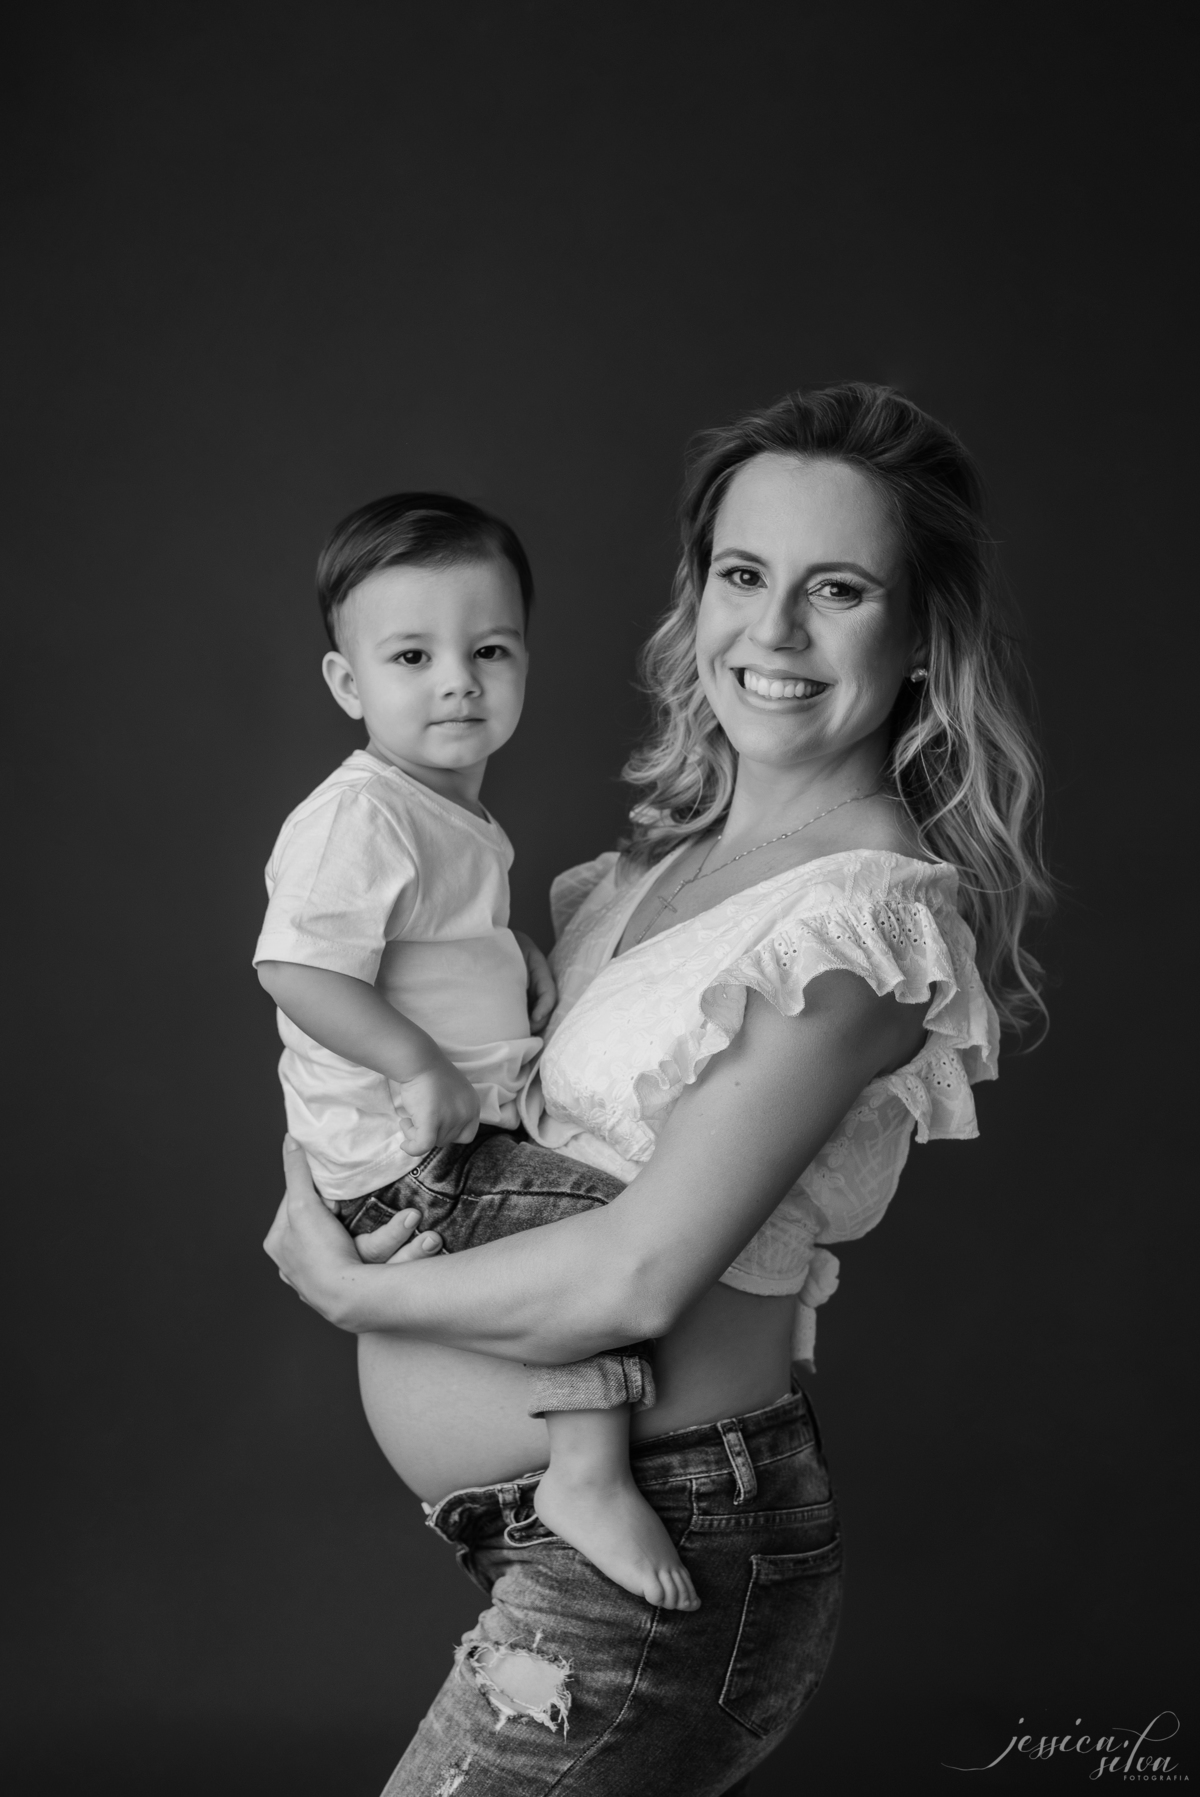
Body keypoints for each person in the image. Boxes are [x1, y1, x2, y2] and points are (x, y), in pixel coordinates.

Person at [265, 382, 1051, 1797]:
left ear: (924, 636)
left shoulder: (859, 927)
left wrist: (349, 1291)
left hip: (666, 1557)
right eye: (744, 576)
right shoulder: (649, 870)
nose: (776, 631)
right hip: (549, 1536)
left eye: (839, 589)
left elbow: (632, 1275)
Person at [255, 492, 699, 1610]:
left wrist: (515, 958)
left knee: (602, 1229)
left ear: (523, 664)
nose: (457, 680)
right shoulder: (360, 815)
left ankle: (588, 1459)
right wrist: (419, 1066)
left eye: (489, 650)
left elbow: (421, 945)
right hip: (408, 1155)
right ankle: (585, 1473)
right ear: (348, 684)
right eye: (412, 656)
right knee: (595, 1234)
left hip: (445, 1137)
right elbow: (299, 969)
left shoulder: (448, 812)